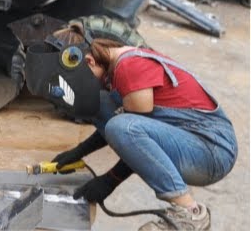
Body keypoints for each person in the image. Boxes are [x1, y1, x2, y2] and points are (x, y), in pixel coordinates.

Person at [43, 21, 237, 231]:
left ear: (89, 61)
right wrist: (79, 151)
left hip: (212, 152)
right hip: (191, 140)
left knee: (122, 127)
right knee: (101, 104)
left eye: (78, 81)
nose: (80, 87)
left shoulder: (129, 66)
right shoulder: (113, 67)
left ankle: (190, 213)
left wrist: (110, 180)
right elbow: (122, 122)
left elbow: (130, 134)